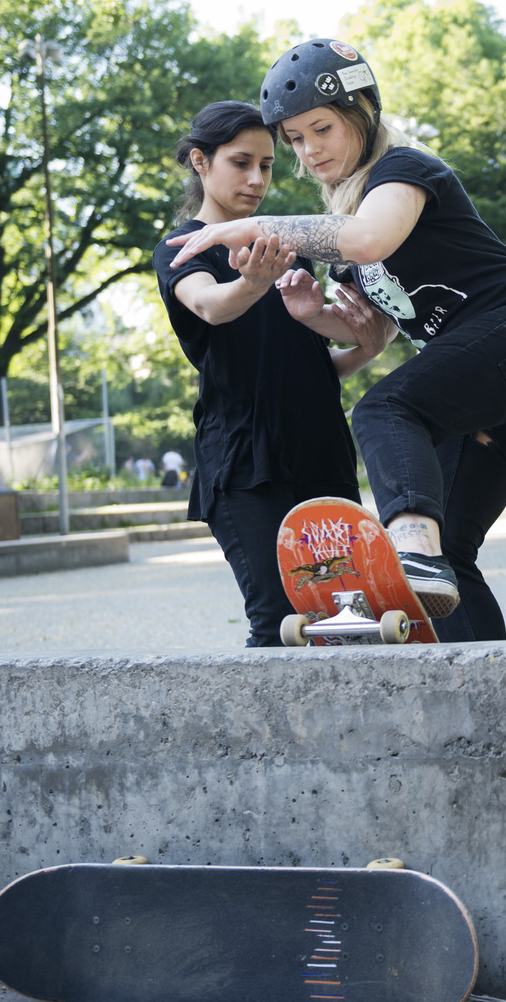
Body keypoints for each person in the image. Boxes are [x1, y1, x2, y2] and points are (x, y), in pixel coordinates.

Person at [167, 40, 506, 642]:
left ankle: (410, 550)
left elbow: (368, 238)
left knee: (384, 409)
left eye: (322, 130)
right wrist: (315, 316)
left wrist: (253, 226)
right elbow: (379, 328)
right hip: (503, 376)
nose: (309, 151)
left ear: (361, 114)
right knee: (454, 550)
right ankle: (481, 683)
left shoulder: (404, 171)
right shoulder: (347, 229)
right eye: (295, 139)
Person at [155, 100, 394, 647]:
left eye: (266, 165)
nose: (257, 179)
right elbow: (211, 306)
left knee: (345, 622)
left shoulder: (287, 246)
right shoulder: (181, 248)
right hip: (245, 463)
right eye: (241, 163)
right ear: (200, 162)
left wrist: (368, 346)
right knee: (279, 622)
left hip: (322, 454)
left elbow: (311, 366)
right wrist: (252, 283)